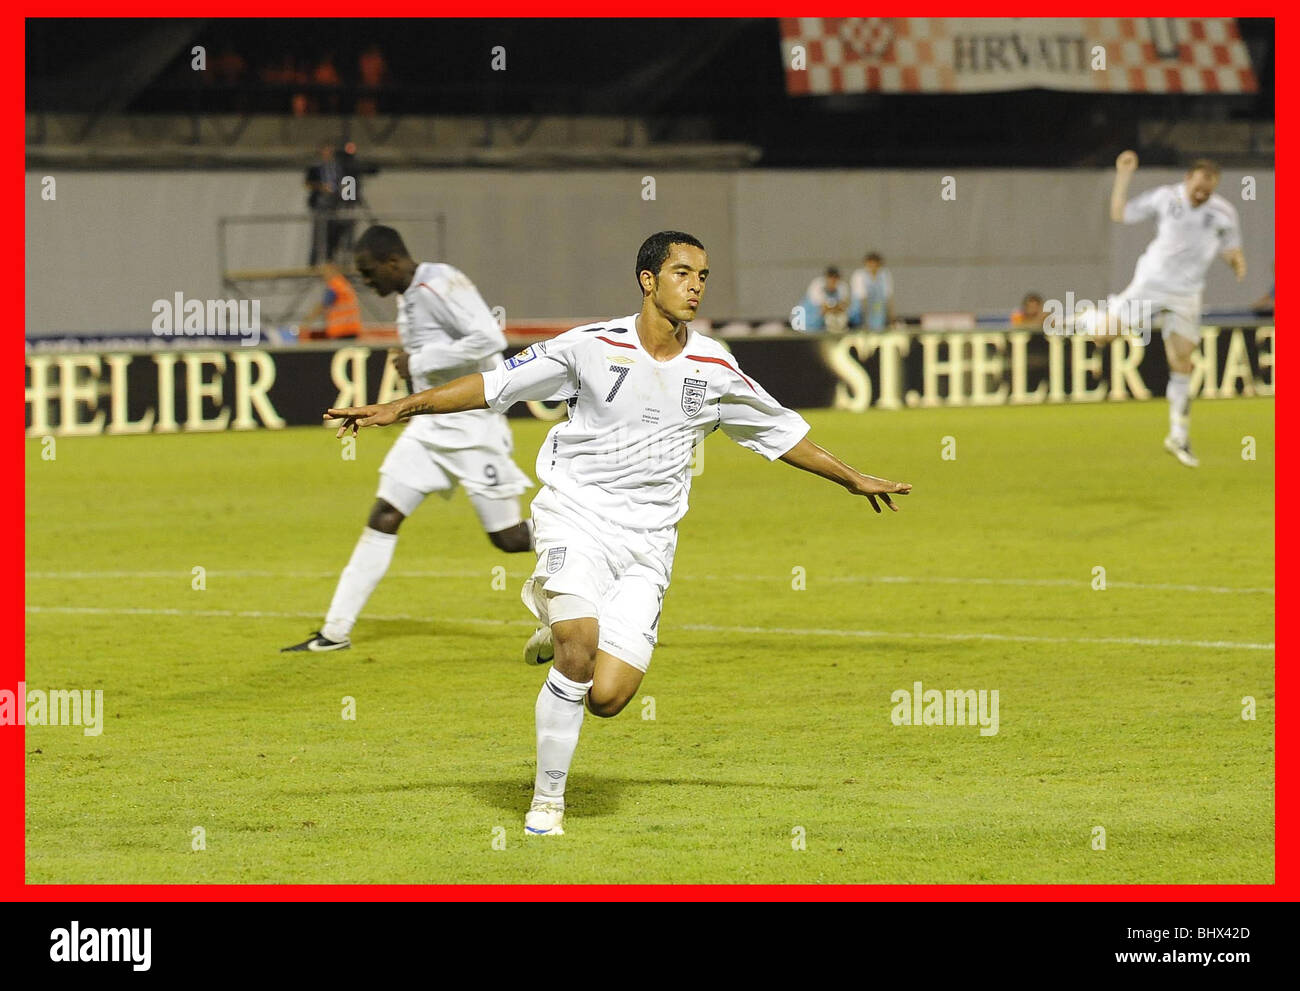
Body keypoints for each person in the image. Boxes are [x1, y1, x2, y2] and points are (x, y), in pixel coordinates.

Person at [326, 231, 913, 835]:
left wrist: (851, 478)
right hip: (574, 516)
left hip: (648, 544)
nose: (695, 286)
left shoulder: (714, 365)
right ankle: (548, 803)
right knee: (581, 646)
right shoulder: (590, 346)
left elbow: (779, 433)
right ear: (648, 280)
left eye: (703, 276)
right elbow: (492, 385)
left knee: (607, 697)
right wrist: (400, 407)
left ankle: (556, 637)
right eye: (682, 273)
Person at [283, 225, 535, 652]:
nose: (365, 281)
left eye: (368, 271)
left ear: (393, 262)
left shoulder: (438, 284)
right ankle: (334, 632)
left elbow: (489, 339)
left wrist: (420, 359)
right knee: (384, 514)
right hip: (430, 426)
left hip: (474, 429)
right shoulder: (410, 292)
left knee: (509, 539)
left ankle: (585, 532)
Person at [1105, 152, 1246, 468]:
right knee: (1102, 337)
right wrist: (1123, 175)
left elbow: (1230, 247)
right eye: (1197, 189)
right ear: (1187, 180)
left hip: (1186, 293)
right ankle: (1092, 316)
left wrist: (1237, 260)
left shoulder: (1224, 212)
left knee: (1183, 358)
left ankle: (1178, 435)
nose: (1200, 195)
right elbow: (1119, 213)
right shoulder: (1164, 198)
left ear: (1214, 189)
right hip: (1152, 283)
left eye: (1206, 192)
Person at [300, 262, 362, 340]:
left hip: (342, 330)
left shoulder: (335, 285)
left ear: (333, 271)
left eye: (325, 272)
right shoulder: (343, 283)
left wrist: (307, 321)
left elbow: (323, 305)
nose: (323, 276)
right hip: (351, 329)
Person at [305, 144, 342, 265]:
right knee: (318, 234)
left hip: (334, 205)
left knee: (334, 233)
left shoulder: (337, 168)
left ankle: (330, 260)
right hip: (319, 205)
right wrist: (322, 187)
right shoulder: (315, 167)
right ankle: (313, 262)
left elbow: (344, 184)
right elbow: (308, 184)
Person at [797, 267, 852, 332]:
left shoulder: (842, 288)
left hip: (822, 329)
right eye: (830, 277)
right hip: (806, 326)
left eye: (835, 277)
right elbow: (824, 307)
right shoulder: (816, 286)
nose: (833, 280)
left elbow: (843, 306)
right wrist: (834, 307)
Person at [849, 252, 894, 330]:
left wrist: (891, 317)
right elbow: (862, 299)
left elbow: (888, 297)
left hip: (877, 305)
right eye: (870, 264)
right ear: (866, 264)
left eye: (876, 264)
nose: (873, 267)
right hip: (861, 307)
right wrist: (866, 321)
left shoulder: (885, 275)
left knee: (878, 317)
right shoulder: (859, 275)